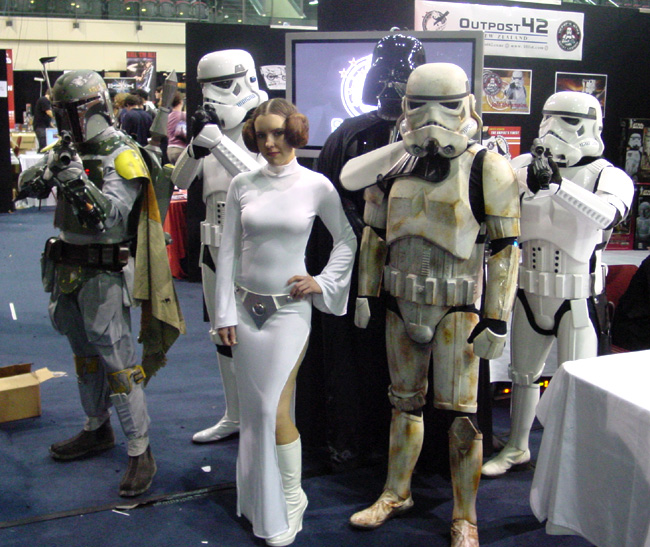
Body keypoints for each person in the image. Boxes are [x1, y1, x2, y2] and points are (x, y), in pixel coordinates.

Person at [340, 63, 521, 545]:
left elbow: (506, 249)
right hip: (401, 302)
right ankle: (396, 492)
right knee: (403, 403)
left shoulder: (487, 167)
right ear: (404, 106)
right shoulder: (392, 164)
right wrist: (365, 292)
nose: (431, 116)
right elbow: (374, 235)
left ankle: (465, 515)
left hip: (457, 306)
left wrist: (497, 318)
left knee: (461, 416)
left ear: (468, 106)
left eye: (446, 104)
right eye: (419, 104)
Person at [16, 70, 182, 497]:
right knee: (84, 356)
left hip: (105, 271)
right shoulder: (69, 149)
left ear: (93, 108)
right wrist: (50, 170)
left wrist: (74, 179)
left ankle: (140, 449)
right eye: (59, 112)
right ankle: (96, 426)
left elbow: (108, 217)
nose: (65, 120)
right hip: (67, 268)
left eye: (71, 111)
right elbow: (24, 189)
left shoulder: (119, 153)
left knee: (118, 362)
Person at [215, 97, 356, 546]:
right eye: (262, 135)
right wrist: (222, 312)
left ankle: (293, 498)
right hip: (244, 311)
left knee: (270, 410)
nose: (270, 142)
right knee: (256, 412)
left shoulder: (316, 185)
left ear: (294, 131)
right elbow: (227, 251)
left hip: (289, 313)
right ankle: (261, 499)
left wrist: (322, 281)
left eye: (278, 132)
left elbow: (347, 239)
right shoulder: (242, 183)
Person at [482, 91, 634, 478]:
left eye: (566, 121)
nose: (552, 129)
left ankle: (569, 459)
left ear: (590, 127)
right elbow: (491, 208)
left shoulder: (608, 176)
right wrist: (493, 167)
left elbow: (607, 216)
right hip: (529, 291)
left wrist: (559, 186)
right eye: (548, 119)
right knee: (522, 375)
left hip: (577, 296)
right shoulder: (522, 165)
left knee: (576, 382)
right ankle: (517, 447)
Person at [308, 33, 425, 470]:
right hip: (361, 265)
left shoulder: (440, 141)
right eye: (386, 75)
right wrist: (358, 235)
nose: (392, 85)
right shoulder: (349, 135)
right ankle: (354, 437)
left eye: (402, 77)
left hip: (418, 264)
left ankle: (414, 450)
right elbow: (331, 201)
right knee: (356, 353)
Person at [172, 49, 267, 444]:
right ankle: (234, 414)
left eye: (223, 85)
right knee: (221, 336)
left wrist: (216, 143)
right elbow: (180, 180)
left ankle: (264, 419)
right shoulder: (211, 135)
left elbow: (262, 183)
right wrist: (197, 147)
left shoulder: (264, 129)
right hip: (212, 248)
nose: (213, 96)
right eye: (206, 87)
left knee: (257, 337)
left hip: (252, 252)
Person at [166, 91, 187, 165]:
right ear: (181, 102)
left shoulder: (168, 116)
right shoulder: (184, 115)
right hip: (181, 149)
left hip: (170, 149)